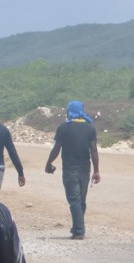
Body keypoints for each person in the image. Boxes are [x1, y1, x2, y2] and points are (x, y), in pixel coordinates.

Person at [45, 100, 101, 240]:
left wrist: (49, 162)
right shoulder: (89, 128)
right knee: (80, 200)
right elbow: (94, 150)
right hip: (85, 170)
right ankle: (77, 227)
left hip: (70, 170)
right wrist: (96, 170)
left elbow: (57, 148)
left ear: (70, 111)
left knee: (74, 201)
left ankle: (79, 231)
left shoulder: (63, 127)